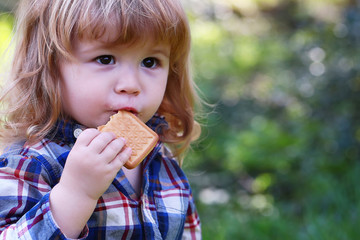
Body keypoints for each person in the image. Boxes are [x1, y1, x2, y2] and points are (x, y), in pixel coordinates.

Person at [0, 0, 202, 239]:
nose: (131, 85)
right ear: (51, 67)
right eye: (105, 59)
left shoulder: (163, 162)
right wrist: (75, 195)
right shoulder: (30, 164)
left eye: (150, 62)